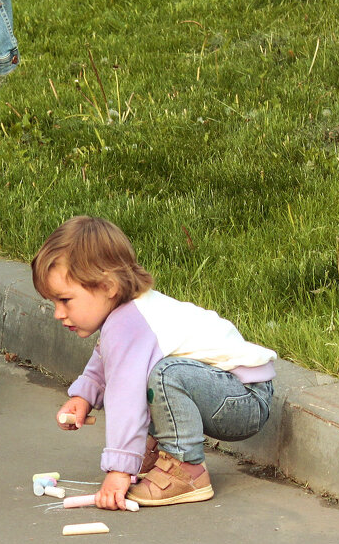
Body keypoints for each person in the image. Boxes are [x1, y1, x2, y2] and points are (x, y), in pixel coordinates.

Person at [31, 215, 276, 509]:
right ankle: (161, 453)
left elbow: (125, 397)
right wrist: (84, 396)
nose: (58, 313)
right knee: (157, 372)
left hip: (243, 400)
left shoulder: (130, 324)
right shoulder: (126, 315)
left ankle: (186, 469)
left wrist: (119, 470)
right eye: (53, 303)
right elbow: (105, 358)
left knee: (163, 375)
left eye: (65, 300)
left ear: (107, 286)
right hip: (227, 391)